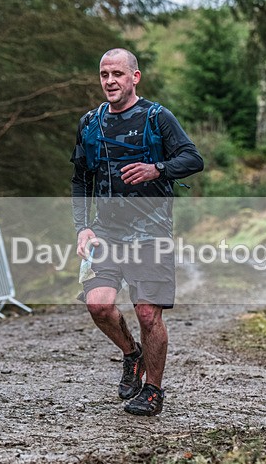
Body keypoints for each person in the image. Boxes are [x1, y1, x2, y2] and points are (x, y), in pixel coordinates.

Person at [70, 48, 203, 416]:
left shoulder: (157, 117)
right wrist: (82, 229)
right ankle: (132, 354)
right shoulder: (90, 123)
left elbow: (193, 159)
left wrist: (156, 169)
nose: (110, 81)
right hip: (105, 233)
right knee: (98, 304)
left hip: (150, 232)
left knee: (148, 314)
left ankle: (153, 391)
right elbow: (81, 179)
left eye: (117, 74)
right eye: (104, 74)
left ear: (135, 77)